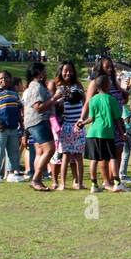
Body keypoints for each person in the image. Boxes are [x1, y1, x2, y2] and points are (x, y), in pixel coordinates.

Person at [78, 74, 126, 193]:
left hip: (92, 133)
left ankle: (94, 185)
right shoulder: (111, 99)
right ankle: (117, 183)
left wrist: (82, 123)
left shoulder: (93, 99)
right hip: (107, 133)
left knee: (94, 159)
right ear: (106, 85)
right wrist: (121, 134)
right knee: (112, 157)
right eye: (109, 83)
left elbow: (92, 118)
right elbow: (117, 119)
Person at [0, 71, 24, 184]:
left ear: (10, 79)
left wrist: (21, 123)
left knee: (13, 151)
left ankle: (12, 173)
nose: (4, 80)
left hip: (13, 126)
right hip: (0, 127)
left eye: (6, 78)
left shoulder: (14, 93)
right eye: (1, 78)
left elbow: (19, 109)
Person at [51, 62, 86, 190]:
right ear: (61, 71)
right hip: (64, 126)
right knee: (65, 155)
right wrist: (57, 99)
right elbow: (52, 103)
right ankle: (62, 183)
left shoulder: (77, 85)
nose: (68, 73)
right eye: (65, 70)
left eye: (70, 70)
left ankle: (80, 183)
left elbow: (84, 102)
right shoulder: (57, 86)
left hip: (78, 126)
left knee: (78, 156)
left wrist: (83, 120)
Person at [23, 62, 57, 191]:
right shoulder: (36, 87)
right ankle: (36, 179)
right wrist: (54, 98)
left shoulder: (39, 86)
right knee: (49, 149)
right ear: (38, 72)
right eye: (44, 71)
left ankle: (38, 179)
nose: (46, 73)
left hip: (40, 121)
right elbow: (37, 107)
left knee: (44, 150)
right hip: (37, 121)